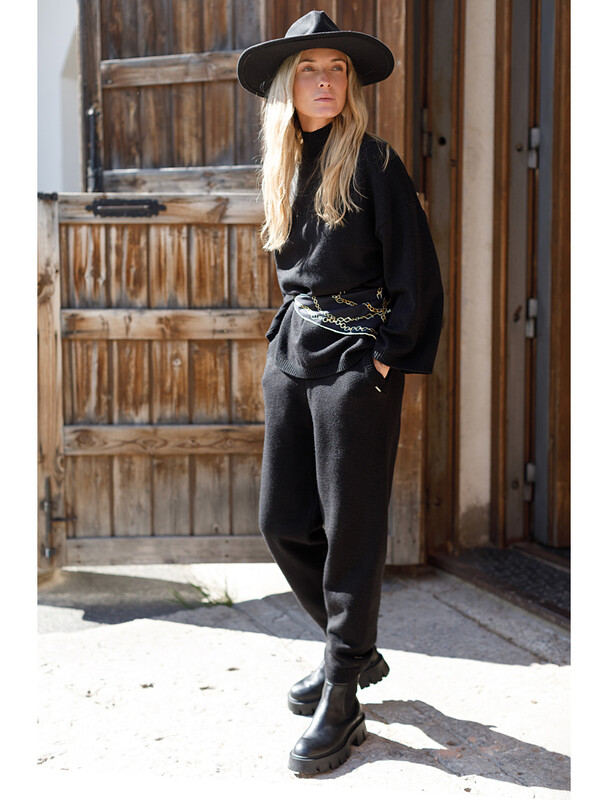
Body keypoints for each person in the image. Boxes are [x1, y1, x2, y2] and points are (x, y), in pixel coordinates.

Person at [237, 10, 443, 774]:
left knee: (351, 529)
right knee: (282, 522)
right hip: (293, 356)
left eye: (337, 69)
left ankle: (344, 693)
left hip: (357, 366)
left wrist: (384, 361)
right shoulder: (285, 164)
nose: (325, 81)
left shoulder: (376, 163)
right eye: (309, 69)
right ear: (286, 86)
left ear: (349, 84)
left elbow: (417, 274)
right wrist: (281, 355)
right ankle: (349, 652)